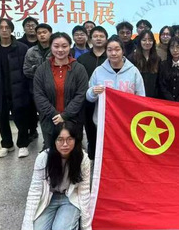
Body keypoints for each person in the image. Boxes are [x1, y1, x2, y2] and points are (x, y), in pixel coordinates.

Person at [21, 122, 92, 230]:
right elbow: (34, 191)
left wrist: (86, 228)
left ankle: (74, 223)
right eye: (60, 140)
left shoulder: (83, 159)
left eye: (69, 139)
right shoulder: (43, 158)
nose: (65, 144)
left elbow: (84, 191)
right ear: (54, 141)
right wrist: (26, 227)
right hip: (49, 198)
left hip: (70, 198)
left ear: (75, 140)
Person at [0, 18, 31, 158]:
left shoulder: (21, 48)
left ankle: (23, 144)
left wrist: (26, 88)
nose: (4, 30)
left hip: (18, 90)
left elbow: (27, 69)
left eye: (7, 27)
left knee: (21, 119)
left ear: (11, 30)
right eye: (1, 27)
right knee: (2, 119)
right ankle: (7, 145)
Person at [33, 32, 89, 146]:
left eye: (64, 46)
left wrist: (65, 115)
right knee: (51, 150)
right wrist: (54, 114)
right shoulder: (42, 69)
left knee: (74, 150)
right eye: (56, 46)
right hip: (50, 119)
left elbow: (81, 94)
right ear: (50, 46)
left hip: (74, 119)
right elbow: (39, 95)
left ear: (70, 46)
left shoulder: (79, 69)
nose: (60, 50)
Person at [86, 36, 145, 124]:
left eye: (117, 50)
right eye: (109, 50)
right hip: (104, 121)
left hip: (127, 121)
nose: (113, 53)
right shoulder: (99, 71)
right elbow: (89, 97)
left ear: (123, 51)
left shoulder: (133, 71)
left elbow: (141, 97)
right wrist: (93, 92)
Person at [77, 26, 108, 160]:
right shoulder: (82, 59)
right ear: (90, 39)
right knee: (90, 129)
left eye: (101, 36)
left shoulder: (110, 57)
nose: (98, 39)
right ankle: (93, 156)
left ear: (106, 39)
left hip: (108, 103)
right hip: (88, 100)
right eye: (95, 36)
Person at [22, 23, 53, 140]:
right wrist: (41, 74)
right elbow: (26, 70)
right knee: (42, 116)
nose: (42, 35)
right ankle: (46, 141)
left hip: (54, 88)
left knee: (54, 116)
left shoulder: (56, 49)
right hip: (37, 90)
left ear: (50, 33)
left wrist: (37, 70)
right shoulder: (31, 51)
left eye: (44, 32)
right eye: (39, 33)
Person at [158, 36, 179, 102]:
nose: (175, 50)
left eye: (178, 47)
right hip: (166, 101)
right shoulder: (163, 65)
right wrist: (170, 99)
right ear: (169, 49)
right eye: (172, 47)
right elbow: (161, 84)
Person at [130, 29, 161, 98]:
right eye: (144, 40)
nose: (147, 43)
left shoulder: (157, 59)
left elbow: (159, 82)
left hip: (153, 98)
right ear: (139, 42)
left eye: (150, 40)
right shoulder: (132, 58)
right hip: (136, 97)